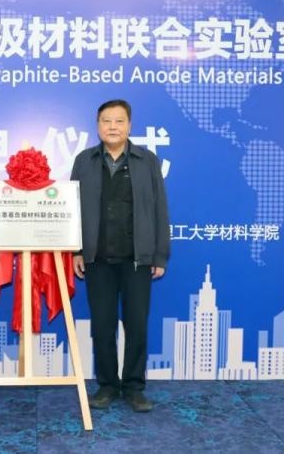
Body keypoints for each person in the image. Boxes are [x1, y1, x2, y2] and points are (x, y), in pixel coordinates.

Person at [70, 99, 170, 413]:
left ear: (129, 125)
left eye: (119, 121)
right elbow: (72, 210)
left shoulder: (147, 160)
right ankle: (107, 385)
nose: (112, 127)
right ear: (98, 126)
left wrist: (159, 255)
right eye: (106, 121)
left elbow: (159, 208)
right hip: (97, 259)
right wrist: (76, 250)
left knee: (136, 325)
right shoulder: (84, 161)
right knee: (102, 327)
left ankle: (134, 387)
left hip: (137, 259)